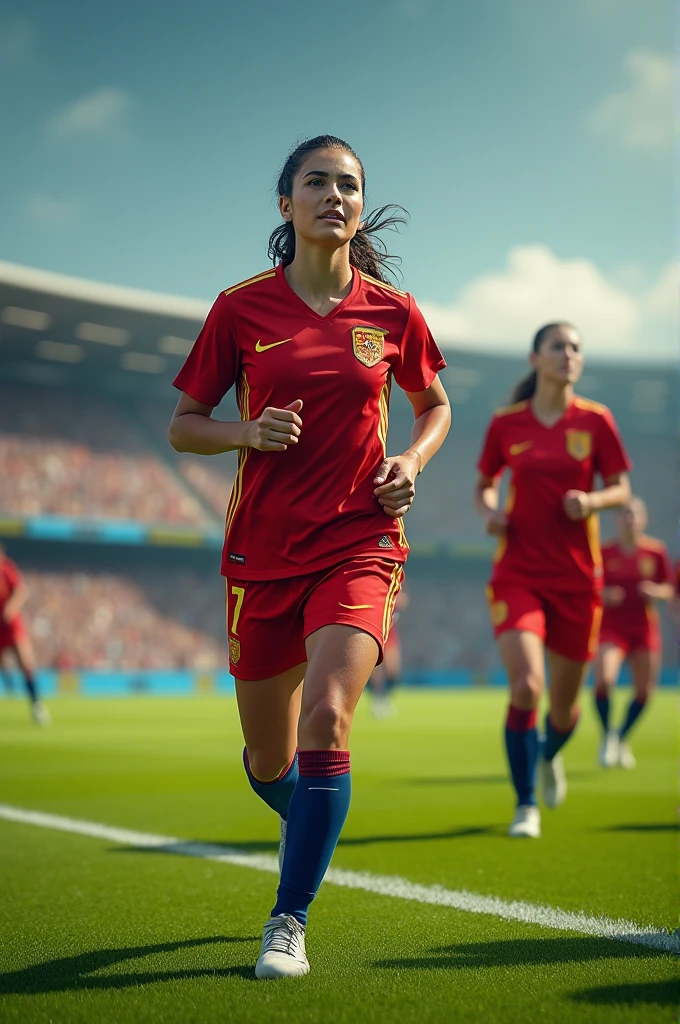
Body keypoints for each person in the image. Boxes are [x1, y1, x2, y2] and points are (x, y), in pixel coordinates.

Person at [169, 135, 450, 978]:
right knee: (269, 760)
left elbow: (434, 406)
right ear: (285, 204)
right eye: (317, 181)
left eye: (350, 184)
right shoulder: (239, 308)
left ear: (360, 206)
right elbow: (184, 425)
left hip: (361, 544)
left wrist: (410, 463)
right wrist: (246, 432)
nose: (335, 193)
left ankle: (287, 918)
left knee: (330, 715)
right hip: (262, 556)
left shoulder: (393, 313)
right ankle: (311, 821)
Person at [474, 322, 630, 839]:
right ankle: (525, 806)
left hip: (578, 582)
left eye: (576, 348)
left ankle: (547, 755)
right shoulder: (506, 424)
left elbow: (621, 490)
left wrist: (591, 501)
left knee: (563, 711)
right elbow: (485, 485)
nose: (569, 354)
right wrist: (491, 511)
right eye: (558, 346)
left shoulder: (597, 421)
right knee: (528, 686)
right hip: (517, 574)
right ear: (535, 357)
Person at [593, 497, 674, 769]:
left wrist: (656, 592)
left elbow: (670, 589)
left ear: (643, 519)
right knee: (604, 679)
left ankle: (620, 737)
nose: (630, 519)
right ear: (617, 520)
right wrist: (604, 595)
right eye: (625, 514)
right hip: (612, 627)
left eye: (634, 514)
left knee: (644, 692)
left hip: (643, 628)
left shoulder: (656, 552)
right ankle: (607, 735)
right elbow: (592, 589)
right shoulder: (604, 552)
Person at [0, 544, 50, 724]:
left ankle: (36, 705)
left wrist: (11, 607)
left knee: (25, 662)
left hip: (11, 625)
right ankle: (8, 682)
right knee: (6, 664)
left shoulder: (6, 569)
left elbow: (21, 591)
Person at [366, 586, 408, 717]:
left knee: (393, 671)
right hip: (374, 630)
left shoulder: (396, 576)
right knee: (375, 672)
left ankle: (385, 698)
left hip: (390, 633)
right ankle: (377, 699)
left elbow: (402, 600)